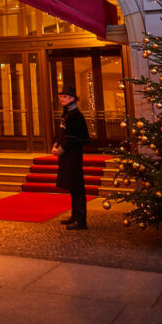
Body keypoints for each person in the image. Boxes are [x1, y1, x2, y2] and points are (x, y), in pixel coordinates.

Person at [52, 86, 90, 230]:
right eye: (61, 96)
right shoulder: (67, 114)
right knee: (72, 187)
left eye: (65, 96)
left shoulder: (76, 115)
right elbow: (62, 133)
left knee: (77, 186)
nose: (62, 99)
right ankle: (75, 215)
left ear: (73, 99)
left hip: (72, 155)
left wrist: (61, 150)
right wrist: (56, 144)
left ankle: (81, 220)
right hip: (67, 155)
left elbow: (73, 137)